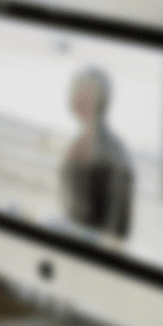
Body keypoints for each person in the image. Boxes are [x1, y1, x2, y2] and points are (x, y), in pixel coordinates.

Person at [59, 64, 134, 242]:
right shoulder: (76, 145)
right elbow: (70, 211)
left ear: (101, 101)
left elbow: (117, 227)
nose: (79, 100)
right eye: (77, 93)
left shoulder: (114, 153)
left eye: (87, 95)